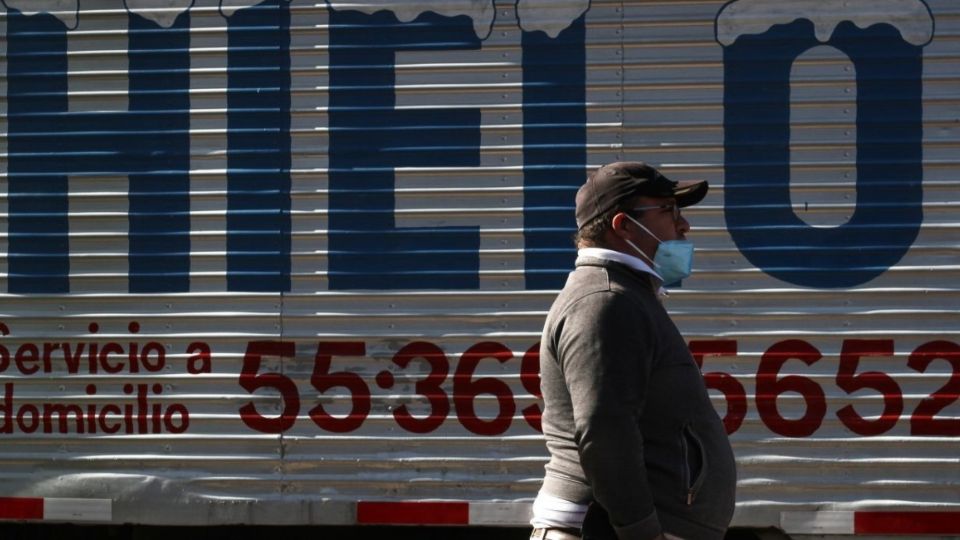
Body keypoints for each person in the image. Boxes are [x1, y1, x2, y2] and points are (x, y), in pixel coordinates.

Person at [529, 162, 737, 540]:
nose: (683, 225)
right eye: (669, 211)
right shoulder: (605, 301)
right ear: (624, 225)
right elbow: (605, 430)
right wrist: (641, 531)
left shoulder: (627, 296)